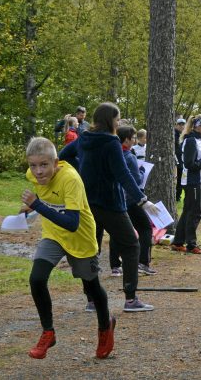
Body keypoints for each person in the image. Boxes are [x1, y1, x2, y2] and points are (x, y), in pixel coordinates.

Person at [58, 102, 157, 312]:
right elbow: (123, 175)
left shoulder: (84, 137)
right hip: (110, 203)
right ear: (110, 120)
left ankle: (91, 300)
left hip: (85, 202)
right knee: (131, 245)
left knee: (89, 249)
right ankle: (131, 299)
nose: (119, 122)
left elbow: (63, 156)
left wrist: (82, 171)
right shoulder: (111, 141)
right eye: (117, 118)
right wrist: (142, 200)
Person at [23, 137, 115, 360]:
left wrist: (37, 204)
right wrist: (28, 209)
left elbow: (72, 224)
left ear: (56, 162)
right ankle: (48, 332)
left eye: (44, 165)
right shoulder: (32, 175)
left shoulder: (70, 179)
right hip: (53, 235)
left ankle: (105, 328)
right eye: (33, 165)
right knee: (36, 278)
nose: (38, 172)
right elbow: (47, 202)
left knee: (91, 288)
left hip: (80, 238)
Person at [115, 126, 156, 276]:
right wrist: (141, 171)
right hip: (132, 199)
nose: (134, 140)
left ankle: (116, 265)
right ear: (126, 140)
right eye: (133, 138)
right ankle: (142, 262)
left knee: (120, 233)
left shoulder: (114, 154)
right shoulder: (130, 156)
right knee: (146, 228)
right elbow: (137, 179)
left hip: (118, 200)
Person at [172, 115, 201, 255]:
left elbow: (197, 159)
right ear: (197, 126)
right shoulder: (191, 140)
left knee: (187, 211)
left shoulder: (197, 140)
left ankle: (178, 242)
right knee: (195, 212)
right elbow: (190, 164)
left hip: (196, 179)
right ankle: (191, 244)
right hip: (192, 180)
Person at [175, 118, 186, 201]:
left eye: (183, 124)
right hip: (175, 160)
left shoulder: (184, 135)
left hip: (182, 161)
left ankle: (177, 196)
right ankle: (176, 195)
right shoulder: (173, 135)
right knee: (176, 179)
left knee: (180, 179)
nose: (181, 126)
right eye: (180, 124)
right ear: (176, 125)